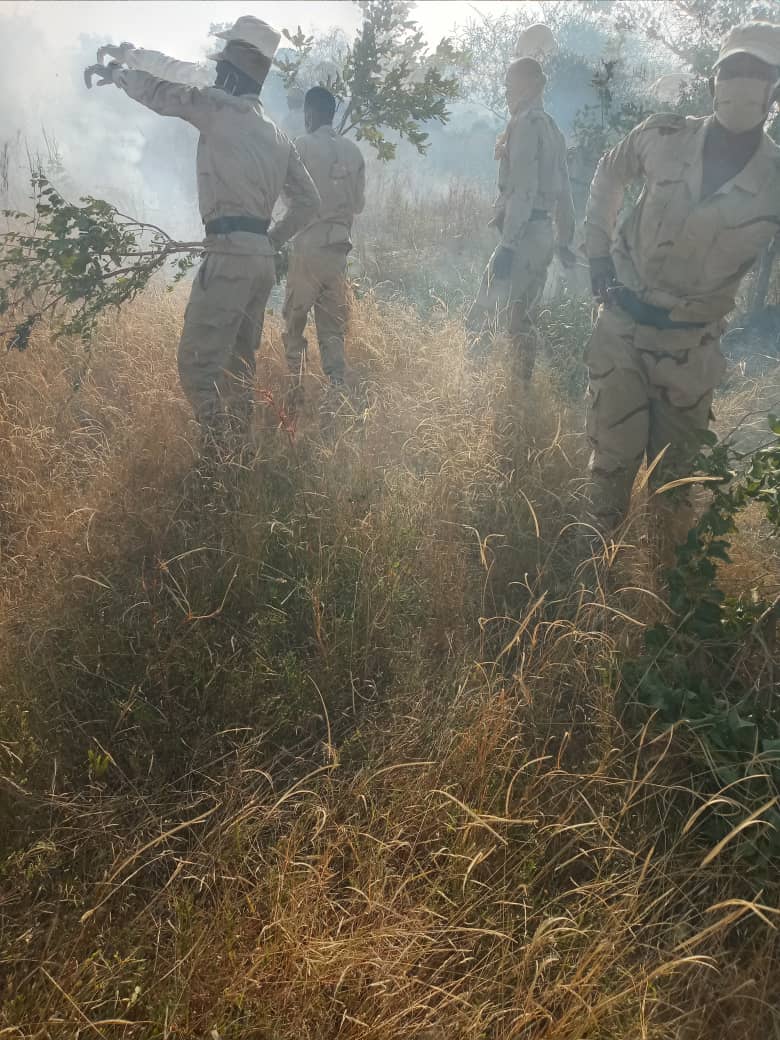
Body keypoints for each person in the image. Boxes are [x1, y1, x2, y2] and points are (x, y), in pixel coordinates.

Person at [86, 18, 320, 450]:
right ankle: (239, 458)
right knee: (238, 365)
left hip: (229, 255)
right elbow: (309, 201)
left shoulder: (218, 107)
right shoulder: (277, 134)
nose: (217, 71)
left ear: (233, 71)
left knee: (196, 366)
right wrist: (269, 241)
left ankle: (217, 453)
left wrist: (119, 74)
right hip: (260, 261)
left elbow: (164, 94)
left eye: (222, 65)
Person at [584, 21, 780, 533]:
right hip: (622, 331)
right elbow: (609, 172)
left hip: (691, 352)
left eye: (756, 72)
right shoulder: (663, 135)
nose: (741, 81)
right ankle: (597, 574)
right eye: (732, 69)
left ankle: (661, 574)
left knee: (674, 490)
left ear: (774, 89)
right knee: (610, 472)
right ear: (714, 80)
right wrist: (597, 255)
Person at [467, 56, 576, 381]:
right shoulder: (552, 128)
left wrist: (509, 245)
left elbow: (523, 189)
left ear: (528, 84)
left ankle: (471, 389)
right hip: (542, 235)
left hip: (524, 236)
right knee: (521, 320)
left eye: (510, 85)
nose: (506, 92)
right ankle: (520, 394)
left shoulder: (526, 124)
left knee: (482, 316)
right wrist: (565, 239)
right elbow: (565, 191)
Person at [283, 86, 366, 390]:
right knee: (332, 333)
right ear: (331, 114)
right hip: (338, 252)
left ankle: (296, 393)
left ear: (309, 114)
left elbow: (289, 198)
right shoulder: (354, 151)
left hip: (308, 248)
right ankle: (337, 396)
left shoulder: (301, 146)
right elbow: (358, 205)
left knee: (294, 326)